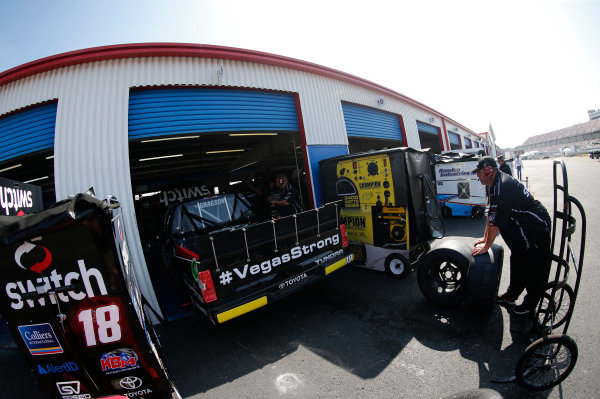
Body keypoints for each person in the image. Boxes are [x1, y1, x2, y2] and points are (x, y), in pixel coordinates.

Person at [471, 156, 551, 315]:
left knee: (532, 265)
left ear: (488, 170)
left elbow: (495, 223)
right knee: (517, 258)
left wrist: (486, 247)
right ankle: (511, 294)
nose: (477, 177)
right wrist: (484, 238)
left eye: (478, 173)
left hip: (536, 228)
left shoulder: (502, 187)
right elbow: (491, 216)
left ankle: (531, 304)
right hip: (523, 227)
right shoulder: (494, 184)